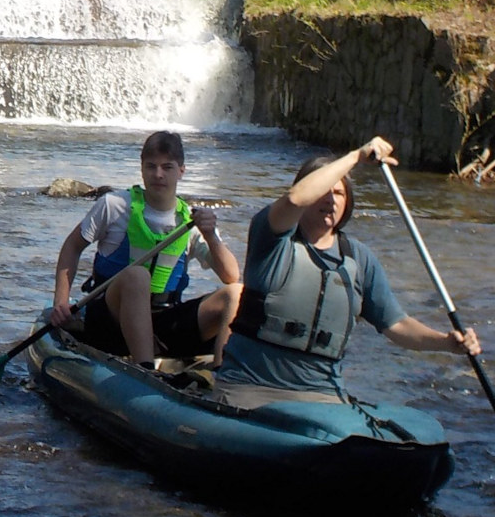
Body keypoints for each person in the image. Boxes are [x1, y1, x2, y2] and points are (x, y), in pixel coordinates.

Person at [214, 136, 483, 408]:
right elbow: (295, 199)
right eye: (323, 190)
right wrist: (355, 157)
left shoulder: (359, 259)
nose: (331, 199)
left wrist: (447, 343)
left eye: (339, 193)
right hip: (250, 386)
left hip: (321, 394)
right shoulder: (271, 235)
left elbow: (397, 325)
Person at [49, 131, 242, 367]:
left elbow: (230, 275)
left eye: (167, 167)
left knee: (236, 293)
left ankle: (224, 374)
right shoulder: (115, 205)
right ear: (141, 169)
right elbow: (72, 246)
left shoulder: (193, 221)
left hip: (164, 322)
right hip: (110, 321)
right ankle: (146, 369)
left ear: (181, 170)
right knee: (138, 275)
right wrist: (61, 301)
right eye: (151, 166)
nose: (158, 174)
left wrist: (211, 235)